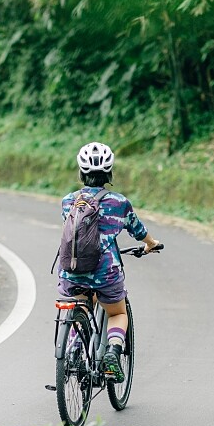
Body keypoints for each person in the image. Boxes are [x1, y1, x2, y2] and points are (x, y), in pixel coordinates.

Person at [57, 141, 161, 383]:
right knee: (117, 312)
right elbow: (138, 230)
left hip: (72, 270)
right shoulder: (119, 203)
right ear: (109, 172)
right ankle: (113, 351)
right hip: (106, 273)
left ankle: (73, 349)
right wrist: (151, 244)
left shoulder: (67, 202)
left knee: (81, 304)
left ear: (81, 172)